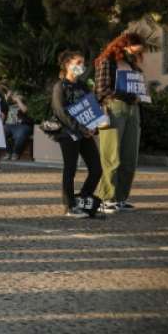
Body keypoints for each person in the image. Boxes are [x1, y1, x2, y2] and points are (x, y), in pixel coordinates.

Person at [94, 32, 146, 215]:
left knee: (130, 157)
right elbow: (101, 90)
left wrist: (141, 95)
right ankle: (104, 198)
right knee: (111, 157)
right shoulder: (107, 61)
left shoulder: (131, 65)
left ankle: (121, 197)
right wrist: (127, 96)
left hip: (133, 110)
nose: (136, 53)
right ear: (123, 45)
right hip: (114, 109)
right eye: (134, 49)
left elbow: (138, 86)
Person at [51, 51, 103, 218]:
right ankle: (69, 206)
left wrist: (94, 126)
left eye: (83, 63)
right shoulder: (60, 87)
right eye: (78, 62)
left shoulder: (83, 86)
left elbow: (91, 107)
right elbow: (61, 113)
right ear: (67, 64)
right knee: (70, 169)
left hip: (85, 133)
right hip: (68, 134)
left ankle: (82, 199)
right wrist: (81, 128)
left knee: (96, 169)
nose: (82, 66)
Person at [1, 85, 33, 161]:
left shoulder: (24, 103)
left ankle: (16, 153)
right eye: (13, 95)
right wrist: (8, 97)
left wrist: (18, 101)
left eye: (17, 95)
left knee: (20, 135)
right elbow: (3, 108)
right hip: (9, 125)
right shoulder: (8, 103)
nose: (14, 96)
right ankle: (8, 152)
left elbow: (25, 110)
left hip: (22, 125)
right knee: (0, 133)